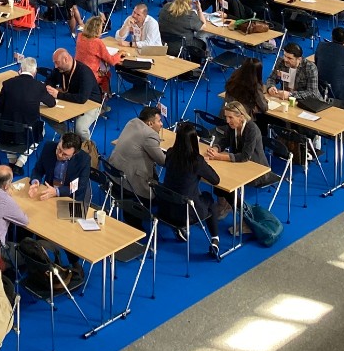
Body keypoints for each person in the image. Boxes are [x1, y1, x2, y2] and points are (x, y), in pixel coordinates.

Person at [161, 120, 221, 258]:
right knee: (209, 199)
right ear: (194, 141)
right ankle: (215, 240)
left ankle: (179, 229)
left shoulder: (170, 153)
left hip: (166, 209)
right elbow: (215, 180)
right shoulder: (196, 161)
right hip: (187, 213)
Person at [109, 106, 165, 205]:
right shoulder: (150, 135)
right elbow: (163, 161)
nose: (161, 124)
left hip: (114, 176)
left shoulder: (132, 122)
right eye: (159, 121)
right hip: (132, 184)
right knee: (163, 198)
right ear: (150, 123)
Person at [45, 48, 102, 140]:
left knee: (80, 129)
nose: (55, 66)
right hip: (69, 98)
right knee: (46, 114)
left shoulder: (84, 72)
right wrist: (49, 87)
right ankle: (68, 137)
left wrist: (58, 95)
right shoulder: (59, 69)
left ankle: (87, 148)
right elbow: (50, 79)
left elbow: (82, 98)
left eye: (57, 62)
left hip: (91, 103)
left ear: (66, 59)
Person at [29, 131, 91, 204]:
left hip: (70, 197)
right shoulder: (48, 147)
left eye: (65, 154)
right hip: (49, 191)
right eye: (59, 149)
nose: (60, 155)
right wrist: (35, 181)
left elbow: (79, 185)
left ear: (74, 154)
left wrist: (57, 192)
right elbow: (38, 170)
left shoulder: (84, 159)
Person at [206, 100, 268, 169]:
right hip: (238, 164)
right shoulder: (232, 125)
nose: (227, 121)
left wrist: (219, 157)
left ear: (241, 117)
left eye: (230, 117)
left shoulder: (252, 129)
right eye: (226, 117)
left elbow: (245, 156)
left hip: (256, 167)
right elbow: (226, 141)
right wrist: (215, 149)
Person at [76, 14, 122, 98]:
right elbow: (111, 61)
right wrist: (119, 54)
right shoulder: (97, 42)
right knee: (106, 74)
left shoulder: (80, 36)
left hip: (77, 70)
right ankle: (103, 98)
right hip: (91, 74)